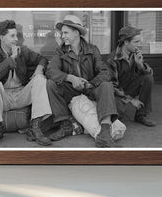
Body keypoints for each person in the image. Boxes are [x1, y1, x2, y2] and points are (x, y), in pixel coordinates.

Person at [46, 15, 118, 148]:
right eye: (62, 33)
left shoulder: (92, 49)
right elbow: (51, 70)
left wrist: (91, 83)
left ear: (76, 32)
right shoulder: (60, 51)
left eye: (65, 32)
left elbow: (105, 72)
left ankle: (105, 132)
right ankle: (65, 125)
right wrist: (71, 78)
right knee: (51, 84)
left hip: (90, 88)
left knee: (106, 85)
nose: (62, 36)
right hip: (71, 91)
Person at [0, 20, 52, 147]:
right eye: (12, 36)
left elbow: (42, 59)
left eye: (17, 35)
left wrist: (39, 70)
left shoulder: (23, 51)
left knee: (40, 79)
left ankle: (36, 127)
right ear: (2, 37)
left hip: (21, 95)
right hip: (4, 98)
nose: (16, 39)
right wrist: (11, 58)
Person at [107, 26, 155, 127]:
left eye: (139, 41)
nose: (139, 45)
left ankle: (140, 115)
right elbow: (113, 86)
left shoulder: (135, 54)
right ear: (126, 42)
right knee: (119, 114)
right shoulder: (112, 59)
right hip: (115, 94)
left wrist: (140, 65)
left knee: (148, 78)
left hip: (128, 87)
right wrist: (131, 100)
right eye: (136, 42)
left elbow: (149, 73)